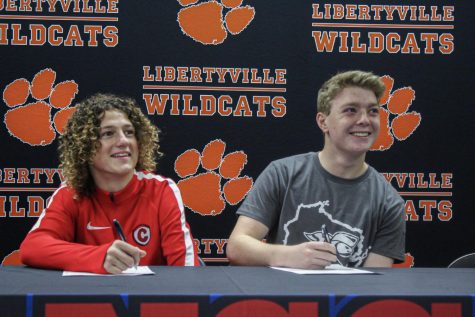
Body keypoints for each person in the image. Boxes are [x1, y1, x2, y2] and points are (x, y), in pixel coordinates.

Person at [227, 70, 405, 269]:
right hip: (281, 296)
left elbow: (375, 283)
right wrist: (291, 256)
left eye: (373, 111)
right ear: (323, 122)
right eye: (351, 110)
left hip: (346, 299)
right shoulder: (283, 173)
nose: (365, 119)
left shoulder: (389, 202)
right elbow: (237, 247)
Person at [20, 93, 198, 274]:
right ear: (85, 147)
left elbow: (187, 270)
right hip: (92, 300)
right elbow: (33, 247)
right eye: (108, 133)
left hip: (152, 299)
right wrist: (99, 257)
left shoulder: (162, 190)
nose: (123, 141)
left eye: (129, 132)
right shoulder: (71, 192)